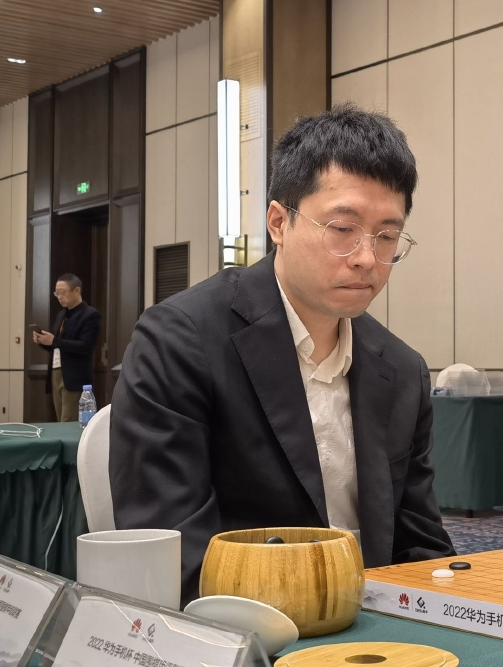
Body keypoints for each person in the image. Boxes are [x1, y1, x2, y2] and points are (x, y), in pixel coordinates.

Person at [110, 104, 455, 603]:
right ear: (278, 222)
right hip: (242, 622)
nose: (366, 258)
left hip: (376, 624)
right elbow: (173, 550)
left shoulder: (401, 369)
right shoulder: (181, 340)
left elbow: (420, 547)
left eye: (387, 236)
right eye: (342, 229)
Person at [33, 273, 101, 422]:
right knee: (60, 420)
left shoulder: (90, 315)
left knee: (69, 420)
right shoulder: (61, 315)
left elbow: (85, 346)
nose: (59, 297)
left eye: (62, 292)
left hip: (74, 375)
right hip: (56, 372)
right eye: (57, 293)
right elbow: (57, 346)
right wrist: (43, 341)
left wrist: (54, 341)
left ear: (76, 291)